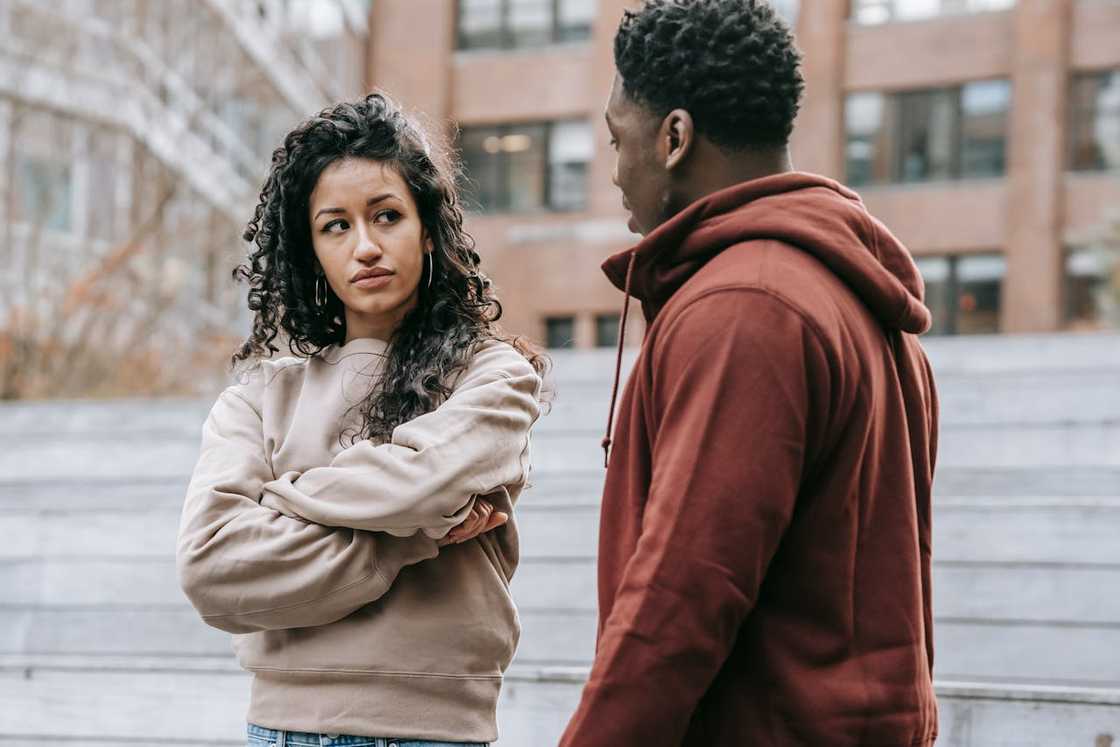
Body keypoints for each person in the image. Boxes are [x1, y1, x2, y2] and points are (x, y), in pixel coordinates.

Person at [558, 1, 939, 745]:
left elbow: (684, 593)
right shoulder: (845, 298)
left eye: (616, 139)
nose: (614, 170)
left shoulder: (746, 307)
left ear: (674, 137)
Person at [176, 92, 546, 747]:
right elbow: (211, 569)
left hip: (434, 733)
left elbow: (423, 482)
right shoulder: (259, 397)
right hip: (281, 730)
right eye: (336, 226)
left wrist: (283, 499)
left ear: (427, 228)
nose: (366, 246)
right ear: (310, 250)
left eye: (387, 216)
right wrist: (414, 535)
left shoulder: (494, 377)